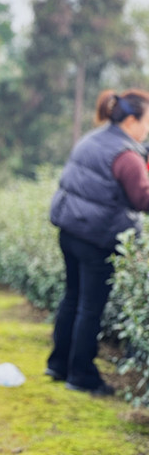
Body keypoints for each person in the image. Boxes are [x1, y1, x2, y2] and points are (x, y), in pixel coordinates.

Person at [47, 89, 149, 397]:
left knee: (73, 298)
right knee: (90, 308)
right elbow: (142, 198)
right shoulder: (124, 154)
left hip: (70, 230)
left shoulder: (93, 139)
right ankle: (81, 374)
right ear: (132, 120)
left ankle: (58, 363)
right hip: (97, 237)